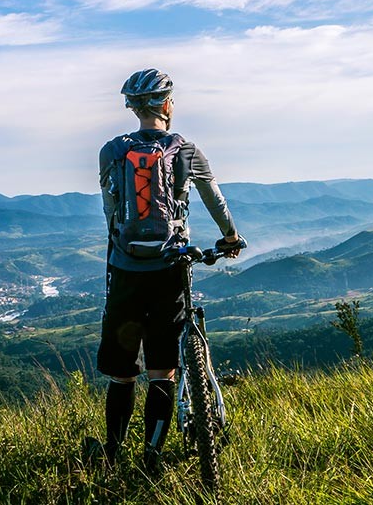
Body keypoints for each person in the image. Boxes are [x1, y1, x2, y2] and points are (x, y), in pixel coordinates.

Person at [91, 68, 242, 472]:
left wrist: (121, 249)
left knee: (122, 375)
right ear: (167, 104)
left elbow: (110, 210)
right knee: (163, 369)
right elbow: (215, 200)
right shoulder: (186, 150)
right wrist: (230, 237)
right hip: (170, 268)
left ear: (133, 107)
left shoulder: (111, 151)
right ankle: (152, 456)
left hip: (124, 268)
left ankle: (110, 454)